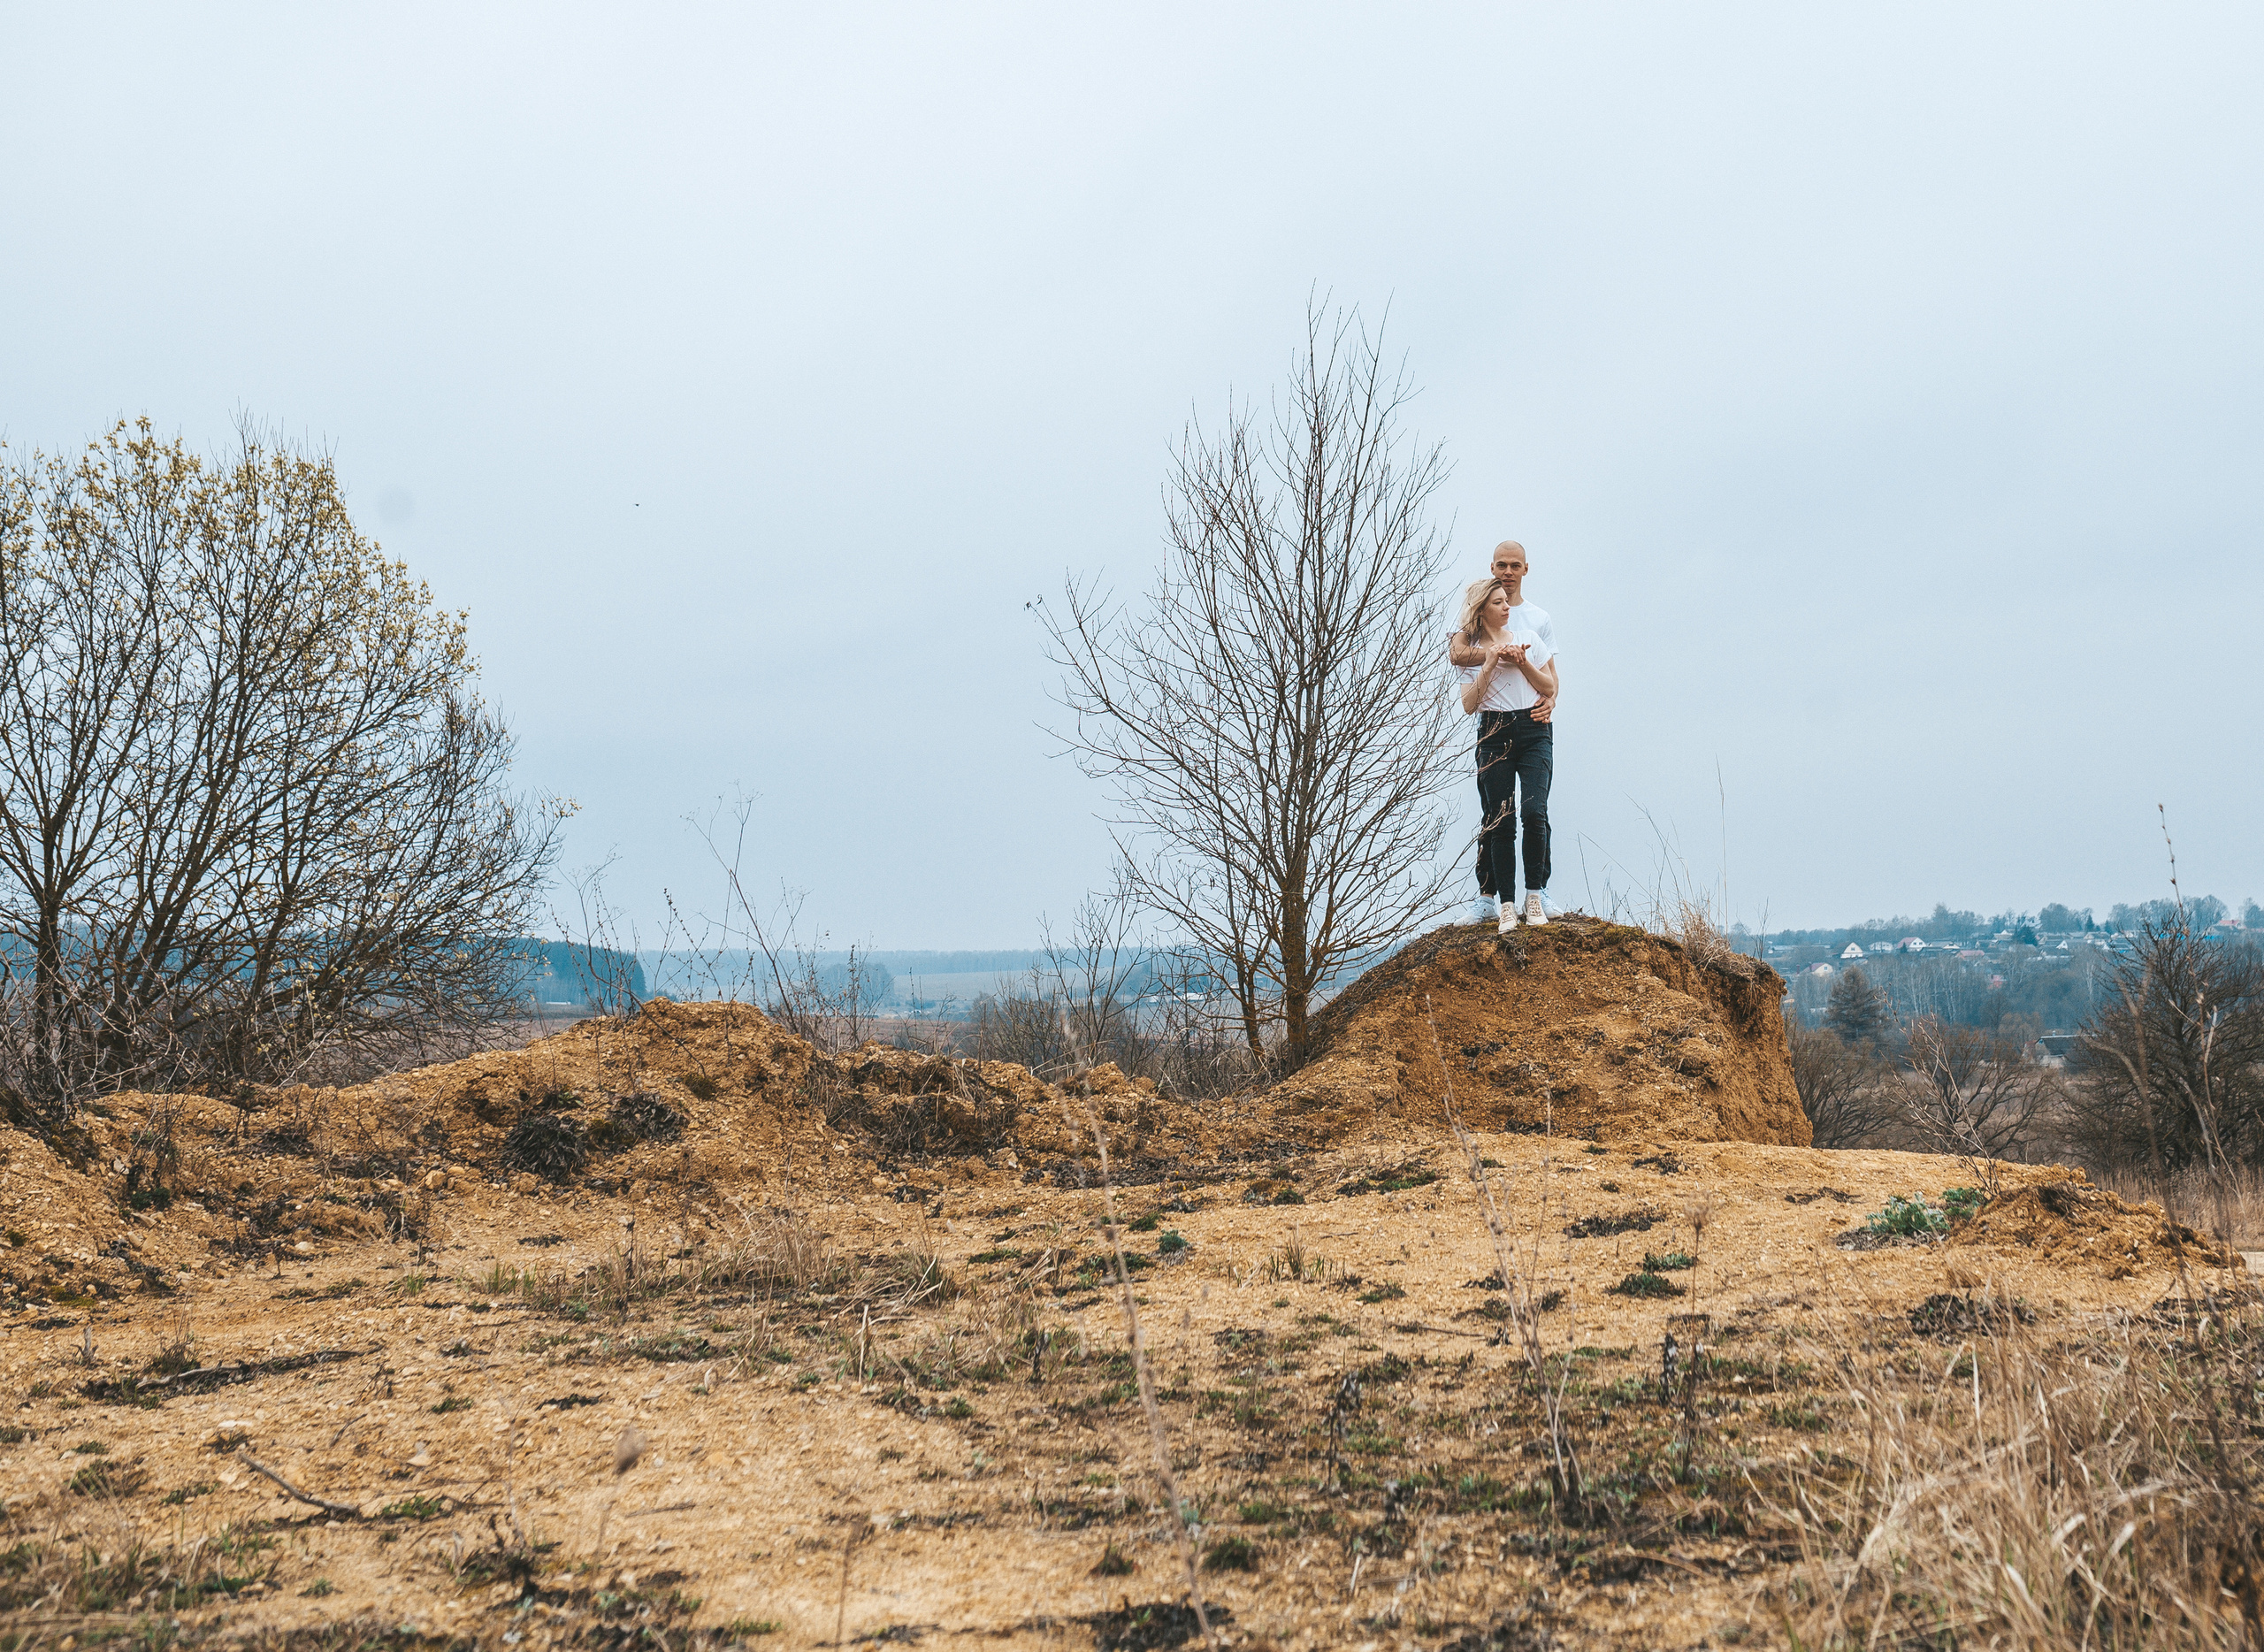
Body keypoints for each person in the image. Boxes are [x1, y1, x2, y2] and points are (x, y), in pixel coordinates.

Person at [1448, 541, 1558, 924]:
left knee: (1535, 811)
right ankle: (1492, 899)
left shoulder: (1537, 620)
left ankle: (1537, 893)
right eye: (1501, 566)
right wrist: (1493, 658)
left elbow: (1552, 682)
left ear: (1526, 568)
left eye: (1515, 565)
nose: (1507, 572)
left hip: (1533, 724)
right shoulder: (1471, 625)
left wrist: (1548, 698)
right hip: (1493, 727)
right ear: (1492, 568)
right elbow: (1457, 656)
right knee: (1497, 817)